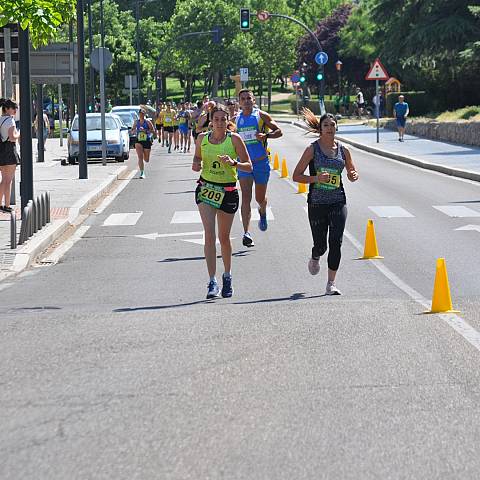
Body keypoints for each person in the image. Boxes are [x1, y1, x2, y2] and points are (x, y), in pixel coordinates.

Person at [292, 110, 359, 295]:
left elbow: (352, 173)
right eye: (326, 125)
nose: (329, 128)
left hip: (338, 201)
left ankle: (331, 283)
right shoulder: (312, 149)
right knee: (321, 245)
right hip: (317, 203)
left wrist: (353, 175)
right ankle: (315, 256)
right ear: (320, 129)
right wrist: (316, 179)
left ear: (337, 127)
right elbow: (296, 176)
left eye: (332, 125)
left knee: (336, 241)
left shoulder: (344, 151)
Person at [192, 104, 252, 299]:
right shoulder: (202, 139)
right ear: (211, 121)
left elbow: (248, 166)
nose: (219, 123)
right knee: (209, 235)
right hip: (206, 189)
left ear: (228, 121)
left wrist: (234, 163)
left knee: (224, 238)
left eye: (222, 119)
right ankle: (212, 281)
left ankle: (227, 275)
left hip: (227, 191)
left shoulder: (235, 139)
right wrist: (196, 164)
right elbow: (197, 158)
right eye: (216, 119)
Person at [236, 88, 282, 247]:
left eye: (249, 98)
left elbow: (279, 131)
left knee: (259, 198)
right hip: (244, 164)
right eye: (243, 99)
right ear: (239, 102)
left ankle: (262, 211)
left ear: (253, 100)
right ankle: (246, 233)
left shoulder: (261, 116)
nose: (246, 101)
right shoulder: (236, 119)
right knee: (246, 197)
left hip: (261, 162)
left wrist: (266, 135)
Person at [0, 98, 20, 213]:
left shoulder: (0, 119)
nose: (15, 111)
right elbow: (12, 137)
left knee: (3, 179)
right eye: (13, 108)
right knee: (8, 180)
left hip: (1, 150)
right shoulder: (10, 121)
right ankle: (7, 205)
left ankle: (1, 204)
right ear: (7, 109)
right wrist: (19, 134)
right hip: (9, 150)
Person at [132, 107, 155, 179]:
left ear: (144, 114)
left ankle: (145, 160)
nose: (141, 115)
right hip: (138, 140)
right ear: (138, 114)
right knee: (140, 157)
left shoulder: (148, 122)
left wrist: (145, 131)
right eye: (140, 114)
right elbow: (133, 130)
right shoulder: (136, 122)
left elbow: (153, 131)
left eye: (142, 114)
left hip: (146, 140)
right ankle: (142, 173)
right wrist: (134, 131)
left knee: (146, 159)